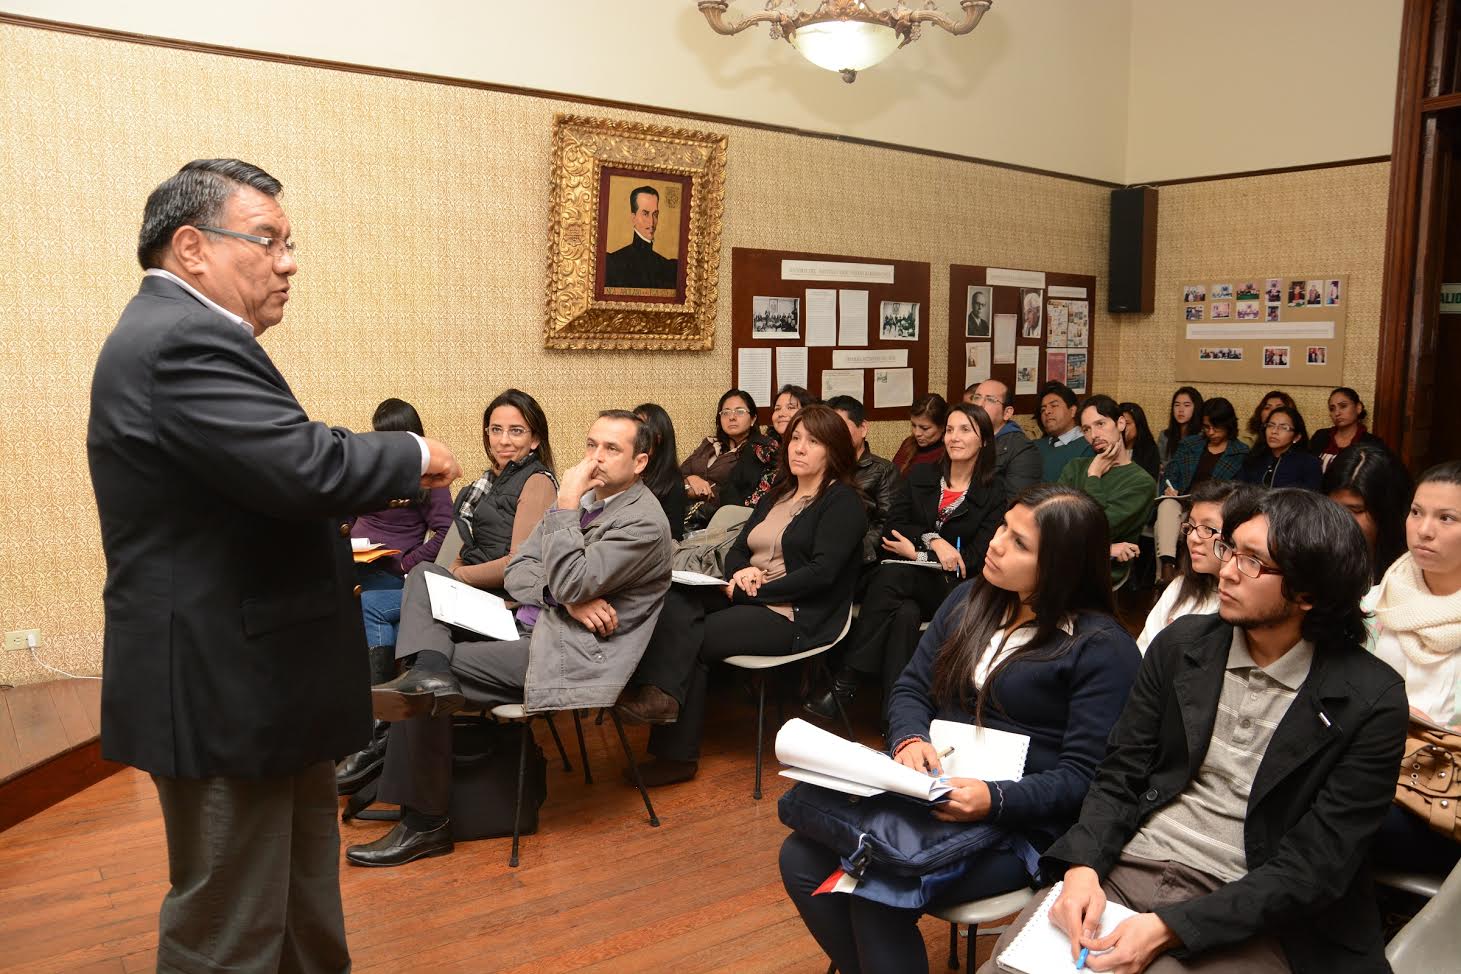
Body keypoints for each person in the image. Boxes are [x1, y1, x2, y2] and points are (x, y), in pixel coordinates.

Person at [87, 158, 460, 972]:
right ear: (192, 247)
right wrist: (411, 451)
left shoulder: (189, 337)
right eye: (269, 240)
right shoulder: (180, 339)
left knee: (295, 909)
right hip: (226, 687)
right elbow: (298, 464)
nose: (289, 262)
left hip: (261, 682)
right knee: (230, 931)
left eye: (291, 243)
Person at [980, 488, 1410, 974]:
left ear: (1309, 592)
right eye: (1231, 549)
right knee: (1013, 962)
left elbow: (1315, 866)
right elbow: (1120, 773)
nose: (1225, 570)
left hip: (1255, 906)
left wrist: (1168, 928)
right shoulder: (1182, 647)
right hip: (1131, 869)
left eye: (1252, 563)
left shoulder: (1370, 699)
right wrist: (1081, 870)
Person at [784, 485, 1142, 974]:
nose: (995, 544)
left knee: (877, 895)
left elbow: (1086, 776)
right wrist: (909, 739)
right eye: (1002, 528)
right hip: (932, 794)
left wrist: (994, 799)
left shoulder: (1102, 648)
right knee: (800, 858)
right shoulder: (971, 599)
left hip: (1020, 824)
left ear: (1063, 565)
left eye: (1020, 543)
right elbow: (911, 686)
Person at [348, 411, 672, 865]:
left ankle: (425, 821)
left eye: (611, 449)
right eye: (591, 444)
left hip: (565, 653)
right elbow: (521, 568)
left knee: (428, 678)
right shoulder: (588, 500)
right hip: (529, 621)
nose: (595, 459)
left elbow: (573, 581)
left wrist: (563, 519)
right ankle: (415, 727)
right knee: (424, 577)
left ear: (640, 462)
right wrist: (564, 596)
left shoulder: (641, 522)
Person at [625, 406, 866, 784]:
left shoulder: (843, 502)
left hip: (794, 614)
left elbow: (822, 574)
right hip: (752, 593)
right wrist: (742, 571)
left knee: (696, 637)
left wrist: (760, 588)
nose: (799, 448)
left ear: (833, 451)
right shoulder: (779, 492)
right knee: (670, 600)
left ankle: (675, 754)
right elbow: (739, 547)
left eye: (813, 442)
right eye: (796, 439)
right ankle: (657, 696)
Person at [806, 404, 1007, 723]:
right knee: (904, 614)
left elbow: (972, 560)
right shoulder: (923, 475)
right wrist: (934, 542)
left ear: (984, 441)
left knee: (892, 575)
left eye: (965, 430)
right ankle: (895, 718)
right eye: (951, 430)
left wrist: (915, 554)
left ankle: (848, 679)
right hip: (910, 582)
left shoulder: (994, 492)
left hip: (955, 589)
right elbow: (893, 526)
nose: (954, 437)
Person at [1363, 460, 1461, 874]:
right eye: (1416, 512)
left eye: (1447, 518)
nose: (1423, 530)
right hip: (1372, 767)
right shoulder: (1375, 603)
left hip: (1441, 798)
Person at [350, 398, 455, 672]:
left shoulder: (431, 477)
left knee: (367, 608)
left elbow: (447, 533)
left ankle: (381, 700)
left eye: (388, 437)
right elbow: (348, 514)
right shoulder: (372, 469)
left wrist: (406, 563)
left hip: (391, 574)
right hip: (357, 564)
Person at [1135, 481, 1252, 653]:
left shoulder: (1249, 606)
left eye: (1207, 528)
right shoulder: (1180, 586)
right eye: (1191, 526)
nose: (1193, 538)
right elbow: (1144, 651)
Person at [1057, 395, 1157, 586]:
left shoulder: (1141, 482)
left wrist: (1094, 474)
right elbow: (1052, 519)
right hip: (1061, 558)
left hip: (1098, 570)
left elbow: (1097, 526)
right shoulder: (1075, 467)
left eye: (1100, 424)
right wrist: (1107, 548)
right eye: (1086, 429)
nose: (1094, 434)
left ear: (1120, 423)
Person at [1154, 398, 1249, 571]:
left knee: (1162, 527)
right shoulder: (1190, 444)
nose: (1211, 432)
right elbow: (1171, 473)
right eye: (1206, 427)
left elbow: (1240, 489)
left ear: (1228, 425)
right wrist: (1169, 488)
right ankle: (1168, 565)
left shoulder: (1240, 452)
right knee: (1167, 505)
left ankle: (1169, 577)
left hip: (1214, 509)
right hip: (1183, 503)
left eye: (1216, 428)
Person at [827, 395, 899, 575]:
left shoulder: (882, 470)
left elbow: (887, 523)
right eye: (830, 429)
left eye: (841, 427)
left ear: (863, 427)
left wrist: (855, 551)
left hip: (864, 559)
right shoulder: (823, 468)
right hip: (825, 555)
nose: (835, 435)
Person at [715, 384, 813, 512]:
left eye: (790, 407)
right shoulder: (760, 447)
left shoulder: (812, 451)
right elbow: (732, 490)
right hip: (744, 518)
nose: (782, 414)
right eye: (777, 409)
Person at [1324, 444, 1413, 584]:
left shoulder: (1409, 573)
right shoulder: (1315, 555)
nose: (1338, 520)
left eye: (1356, 510)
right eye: (1332, 508)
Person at [680, 388, 768, 515]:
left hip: (722, 520)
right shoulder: (709, 444)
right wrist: (692, 478)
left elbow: (743, 497)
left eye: (740, 411)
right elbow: (676, 475)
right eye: (726, 412)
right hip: (687, 514)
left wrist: (691, 490)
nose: (732, 417)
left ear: (753, 419)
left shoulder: (759, 451)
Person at [966, 378, 1041, 502]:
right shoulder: (964, 438)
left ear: (1007, 413)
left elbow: (1017, 506)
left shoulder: (1022, 449)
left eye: (990, 399)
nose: (980, 404)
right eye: (977, 397)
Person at [603, 185, 677, 290]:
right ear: (634, 218)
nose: (652, 222)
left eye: (655, 214)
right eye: (645, 214)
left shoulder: (668, 267)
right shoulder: (613, 263)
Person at [1235, 405, 1321, 490]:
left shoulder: (1309, 464)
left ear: (1296, 437)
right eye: (1270, 425)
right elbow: (1238, 492)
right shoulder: (1254, 458)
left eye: (1284, 427)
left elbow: (1310, 500)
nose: (1274, 431)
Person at [634, 402, 685, 541]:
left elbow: (673, 536)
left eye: (643, 430)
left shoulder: (672, 482)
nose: (636, 437)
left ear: (659, 437)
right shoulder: (628, 472)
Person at [1309, 386, 1385, 471]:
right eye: (1332, 409)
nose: (1337, 413)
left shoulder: (1372, 443)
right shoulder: (1321, 436)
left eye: (1343, 406)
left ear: (1358, 408)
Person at [1036, 382, 1093, 482]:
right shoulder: (1035, 446)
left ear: (1072, 411)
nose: (1047, 411)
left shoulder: (1088, 446)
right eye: (1043, 409)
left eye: (1054, 405)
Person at [891, 393, 948, 477]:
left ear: (942, 426)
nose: (917, 433)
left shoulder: (949, 452)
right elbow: (892, 476)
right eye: (913, 425)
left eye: (925, 428)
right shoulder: (908, 444)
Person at [1157, 386, 1204, 474]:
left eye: (1186, 405)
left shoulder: (1202, 437)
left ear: (1196, 408)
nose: (1180, 410)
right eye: (1177, 405)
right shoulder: (1165, 436)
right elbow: (1160, 464)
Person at [1119, 401, 1161, 481]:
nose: (1123, 427)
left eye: (1127, 423)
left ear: (1138, 425)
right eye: (1120, 423)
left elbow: (1150, 481)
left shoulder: (1150, 450)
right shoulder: (1110, 448)